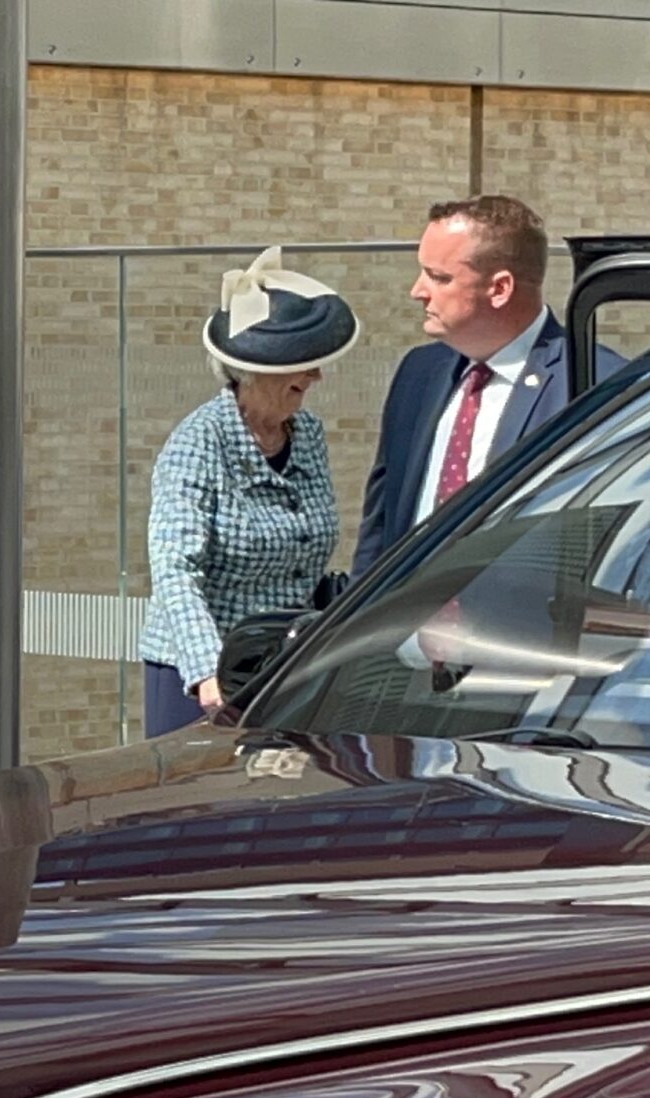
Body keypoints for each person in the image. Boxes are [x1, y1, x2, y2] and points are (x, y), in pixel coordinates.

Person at [139, 247, 357, 737]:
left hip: (287, 669)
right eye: (304, 364)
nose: (316, 376)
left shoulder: (309, 434)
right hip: (201, 680)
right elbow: (175, 571)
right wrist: (208, 673)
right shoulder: (197, 444)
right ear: (257, 369)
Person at [354, 195, 621, 576]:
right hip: (404, 630)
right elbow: (380, 529)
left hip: (522, 632)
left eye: (439, 277)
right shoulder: (419, 374)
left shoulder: (594, 384)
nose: (418, 291)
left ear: (499, 289)